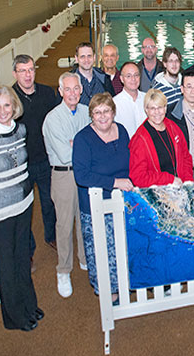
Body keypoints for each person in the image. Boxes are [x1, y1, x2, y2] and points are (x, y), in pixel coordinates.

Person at [0, 86, 42, 331]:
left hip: (24, 204)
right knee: (8, 262)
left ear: (14, 107)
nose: (3, 111)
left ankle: (29, 304)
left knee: (23, 257)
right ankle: (14, 316)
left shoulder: (21, 130)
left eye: (7, 105)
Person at [73, 93, 133, 302]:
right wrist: (115, 183)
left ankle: (126, 282)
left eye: (106, 111)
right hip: (96, 205)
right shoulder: (83, 139)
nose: (103, 116)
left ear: (113, 112)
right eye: (97, 112)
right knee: (103, 250)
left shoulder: (122, 131)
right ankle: (108, 290)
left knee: (124, 245)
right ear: (91, 116)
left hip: (123, 202)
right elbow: (81, 175)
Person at [42, 72, 89, 298]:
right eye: (67, 89)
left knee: (83, 218)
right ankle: (63, 269)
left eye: (76, 88)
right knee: (64, 224)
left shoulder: (85, 111)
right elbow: (63, 154)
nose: (72, 93)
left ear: (81, 89)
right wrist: (80, 145)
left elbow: (92, 143)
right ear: (60, 91)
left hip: (84, 173)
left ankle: (83, 258)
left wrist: (75, 143)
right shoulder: (53, 118)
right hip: (63, 175)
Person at [12, 54, 58, 254]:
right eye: (22, 71)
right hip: (21, 163)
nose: (27, 75)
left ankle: (51, 236)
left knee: (49, 202)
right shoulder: (10, 98)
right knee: (24, 209)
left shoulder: (48, 93)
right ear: (15, 73)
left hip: (46, 159)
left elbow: (57, 121)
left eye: (30, 69)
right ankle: (28, 249)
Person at [129, 89, 193, 187]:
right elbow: (138, 177)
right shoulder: (140, 139)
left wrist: (188, 181)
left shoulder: (173, 127)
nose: (157, 112)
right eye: (152, 108)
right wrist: (168, 179)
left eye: (160, 107)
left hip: (181, 189)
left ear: (165, 108)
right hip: (158, 195)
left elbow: (186, 157)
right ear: (146, 110)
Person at [113, 61, 146, 138]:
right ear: (121, 79)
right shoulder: (115, 104)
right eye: (128, 76)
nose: (133, 79)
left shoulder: (147, 99)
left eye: (136, 75)